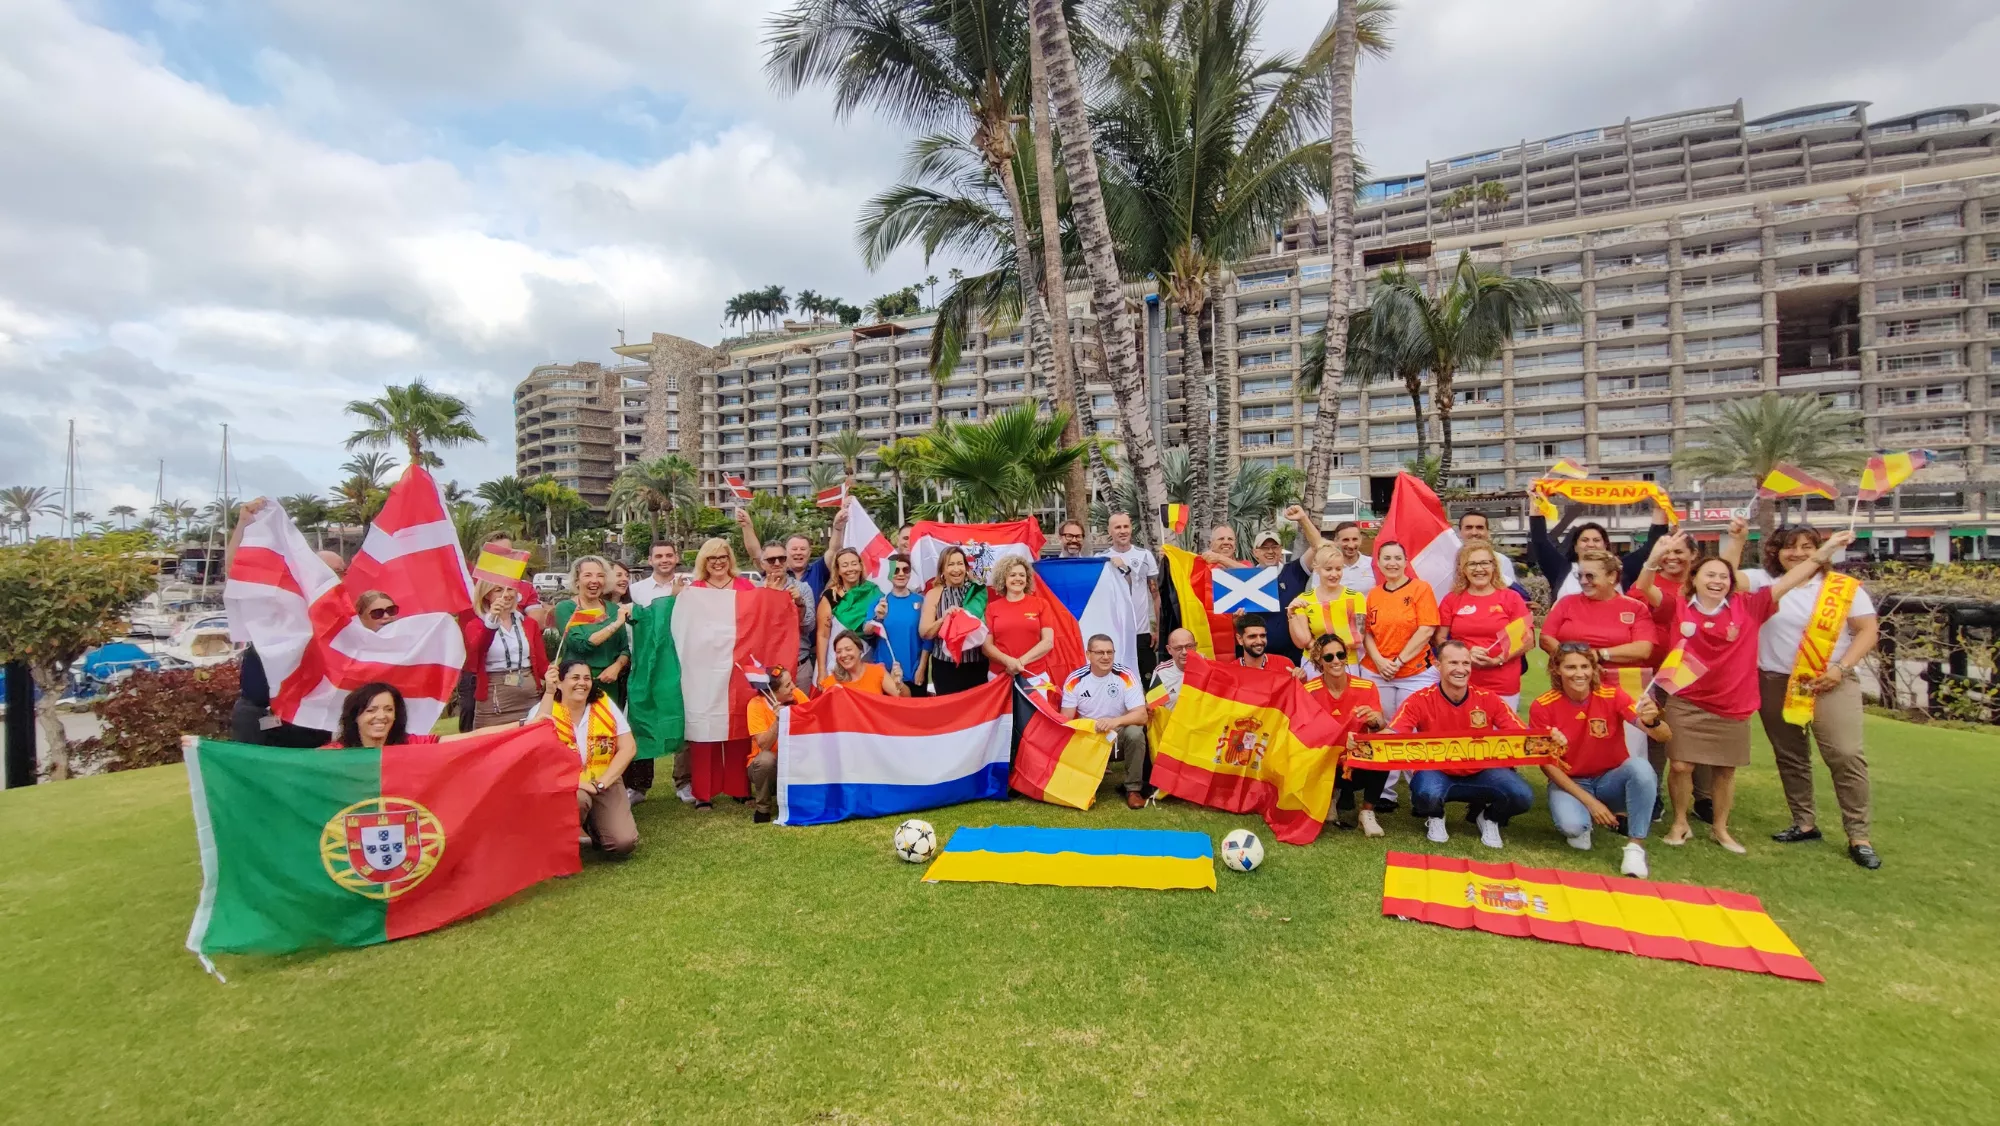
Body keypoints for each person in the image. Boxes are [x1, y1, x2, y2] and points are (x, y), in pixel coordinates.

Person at [1654, 523, 1852, 853]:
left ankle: (1721, 828)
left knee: (1725, 770)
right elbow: (1650, 586)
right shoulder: (1680, 605)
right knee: (1680, 765)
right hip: (1687, 699)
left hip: (1733, 701)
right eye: (1709, 576)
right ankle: (1680, 822)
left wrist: (1824, 552)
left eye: (1723, 577)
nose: (1716, 581)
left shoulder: (1751, 605)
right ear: (1694, 580)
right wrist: (1659, 555)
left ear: (1731, 583)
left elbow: (1790, 578)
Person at [1744, 526, 1882, 869]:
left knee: (1846, 755)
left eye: (1808, 547)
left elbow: (1868, 630)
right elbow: (1723, 577)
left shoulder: (1842, 588)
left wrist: (1842, 667)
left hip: (1830, 680)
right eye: (1789, 547)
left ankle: (1859, 835)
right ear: (1775, 551)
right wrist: (1734, 539)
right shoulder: (1762, 580)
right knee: (1790, 755)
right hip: (1774, 679)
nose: (1798, 553)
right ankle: (1804, 822)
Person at [1531, 644, 1668, 878]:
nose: (1579, 673)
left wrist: (1654, 721)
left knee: (1641, 769)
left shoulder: (1612, 695)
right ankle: (1584, 819)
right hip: (1571, 781)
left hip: (1609, 780)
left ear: (1593, 669)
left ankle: (1635, 847)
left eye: (1585, 666)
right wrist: (1591, 803)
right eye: (1571, 667)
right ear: (1556, 669)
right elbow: (1547, 765)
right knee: (1574, 829)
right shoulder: (1542, 705)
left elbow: (1662, 736)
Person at [1386, 639, 1538, 849]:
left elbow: (1521, 734)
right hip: (1436, 771)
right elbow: (1392, 735)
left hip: (1482, 772)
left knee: (1522, 796)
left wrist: (1549, 738)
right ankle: (1436, 816)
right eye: (1453, 663)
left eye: (1465, 663)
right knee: (1425, 795)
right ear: (1438, 665)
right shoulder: (1419, 700)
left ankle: (1489, 818)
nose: (1461, 669)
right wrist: (1363, 739)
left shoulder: (1488, 698)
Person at [223, 497, 347, 746]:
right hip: (261, 712)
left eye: (341, 571)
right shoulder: (282, 603)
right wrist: (244, 524)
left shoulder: (342, 612)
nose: (337, 577)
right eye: (329, 571)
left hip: (309, 714)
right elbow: (236, 571)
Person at [1539, 549, 1656, 760]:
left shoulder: (1635, 608)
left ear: (1612, 577)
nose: (1584, 581)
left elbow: (1643, 648)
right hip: (1575, 687)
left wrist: (1599, 655)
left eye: (1590, 576)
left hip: (1625, 686)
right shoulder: (1567, 603)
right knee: (1577, 745)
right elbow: (1546, 638)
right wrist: (1579, 662)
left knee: (1630, 750)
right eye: (1580, 576)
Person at [527, 660, 638, 855]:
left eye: (587, 678)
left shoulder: (603, 704)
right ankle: (558, 846)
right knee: (578, 799)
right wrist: (549, 692)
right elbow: (534, 749)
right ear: (559, 682)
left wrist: (601, 784)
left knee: (623, 843)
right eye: (575, 678)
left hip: (602, 780)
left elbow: (628, 747)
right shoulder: (545, 709)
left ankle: (595, 828)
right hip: (564, 785)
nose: (582, 683)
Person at [1304, 634, 1388, 836]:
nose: (1336, 661)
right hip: (1325, 760)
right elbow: (1304, 734)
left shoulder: (1366, 687)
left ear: (1346, 656)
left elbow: (1379, 726)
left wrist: (1374, 719)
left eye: (1340, 655)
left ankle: (1367, 812)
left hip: (1356, 761)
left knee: (1384, 746)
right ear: (1318, 661)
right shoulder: (1308, 690)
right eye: (1328, 657)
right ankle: (1328, 796)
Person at [1436, 543, 1534, 712]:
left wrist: (1498, 659)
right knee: (1463, 735)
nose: (1479, 569)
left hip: (1503, 682)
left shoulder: (1511, 598)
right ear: (1462, 569)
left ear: (1494, 566)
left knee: (1501, 736)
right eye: (1472, 564)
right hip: (1460, 681)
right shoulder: (1452, 600)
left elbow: (1527, 640)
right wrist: (1465, 655)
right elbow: (1439, 639)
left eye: (1485, 563)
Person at [1062, 633, 1151, 809]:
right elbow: (1065, 721)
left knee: (1135, 732)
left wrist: (1114, 722)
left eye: (1110, 652)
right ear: (1088, 655)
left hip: (1118, 734)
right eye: (1100, 652)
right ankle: (1086, 783)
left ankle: (1133, 789)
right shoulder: (1075, 680)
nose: (1106, 657)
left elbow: (1142, 715)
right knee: (1069, 735)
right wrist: (1090, 728)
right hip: (1089, 736)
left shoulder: (1125, 675)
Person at [1528, 495, 1670, 598]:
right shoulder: (1560, 569)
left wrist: (1659, 507)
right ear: (1575, 547)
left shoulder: (1622, 569)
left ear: (1605, 545)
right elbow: (1540, 541)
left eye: (1596, 540)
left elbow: (1652, 547)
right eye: (1584, 540)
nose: (1590, 544)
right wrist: (1536, 502)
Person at [1360, 540, 1441, 715]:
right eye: (1387, 558)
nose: (1392, 563)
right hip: (1376, 672)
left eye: (1398, 558)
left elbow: (1426, 629)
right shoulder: (1374, 594)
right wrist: (1379, 661)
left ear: (1406, 562)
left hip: (1415, 672)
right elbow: (1366, 632)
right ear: (1379, 563)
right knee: (1380, 724)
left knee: (1412, 725)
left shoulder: (1421, 588)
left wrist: (1398, 662)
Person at [547, 556, 631, 709]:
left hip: (609, 683)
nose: (595, 580)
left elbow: (624, 649)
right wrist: (616, 624)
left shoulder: (613, 609)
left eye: (600, 575)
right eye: (588, 575)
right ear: (577, 580)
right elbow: (581, 644)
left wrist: (617, 667)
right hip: (576, 684)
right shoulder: (566, 608)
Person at [463, 580, 549, 728]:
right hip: (495, 701)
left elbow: (542, 665)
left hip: (530, 698)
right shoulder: (476, 625)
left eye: (510, 589)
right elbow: (474, 658)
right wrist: (490, 624)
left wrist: (557, 675)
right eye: (498, 589)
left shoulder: (529, 624)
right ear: (486, 595)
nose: (506, 594)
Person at [1287, 543, 1368, 674]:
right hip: (1314, 664)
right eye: (1328, 569)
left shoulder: (1356, 597)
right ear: (1317, 568)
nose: (1334, 574)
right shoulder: (1304, 599)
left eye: (1338, 569)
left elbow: (1357, 638)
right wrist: (1292, 616)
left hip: (1346, 663)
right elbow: (1303, 641)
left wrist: (1321, 650)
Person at [920, 545, 990, 695]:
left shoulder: (976, 592)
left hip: (977, 665)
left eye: (960, 564)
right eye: (950, 564)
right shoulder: (934, 594)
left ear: (966, 567)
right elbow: (925, 633)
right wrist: (944, 619)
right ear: (942, 570)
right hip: (946, 668)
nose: (956, 569)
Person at [745, 664, 810, 824]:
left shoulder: (798, 696)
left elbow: (812, 724)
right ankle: (763, 809)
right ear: (773, 692)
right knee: (766, 759)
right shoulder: (755, 705)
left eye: (792, 682)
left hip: (794, 762)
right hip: (768, 768)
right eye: (788, 685)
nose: (794, 687)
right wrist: (778, 721)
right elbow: (764, 746)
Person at [1100, 512, 1160, 683]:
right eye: (1117, 527)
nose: (1122, 531)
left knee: (1151, 685)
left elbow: (1155, 595)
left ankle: (1155, 711)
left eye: (1126, 526)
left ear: (1131, 529)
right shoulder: (1101, 559)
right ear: (1110, 531)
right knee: (1117, 684)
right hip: (1114, 634)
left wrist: (1157, 629)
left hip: (1141, 633)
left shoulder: (1145, 555)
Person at [983, 555, 1057, 689]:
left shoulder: (1041, 604)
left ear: (1027, 579)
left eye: (1022, 575)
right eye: (1012, 575)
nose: (1018, 579)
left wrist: (1019, 663)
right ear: (1003, 579)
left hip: (1035, 676)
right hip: (1000, 675)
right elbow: (987, 647)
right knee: (1004, 712)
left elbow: (1048, 642)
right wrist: (1009, 662)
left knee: (1035, 711)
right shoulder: (992, 608)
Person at [869, 553, 928, 695]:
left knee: (916, 715)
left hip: (914, 672)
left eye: (905, 569)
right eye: (896, 570)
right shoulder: (879, 602)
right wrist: (877, 617)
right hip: (886, 673)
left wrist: (921, 668)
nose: (901, 574)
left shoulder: (922, 601)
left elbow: (927, 639)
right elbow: (867, 631)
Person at [328, 683, 441, 749]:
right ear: (355, 716)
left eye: (389, 709)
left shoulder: (409, 744)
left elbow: (454, 746)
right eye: (371, 710)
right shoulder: (333, 754)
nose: (381, 716)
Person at [820, 632, 908, 696]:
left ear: (860, 650)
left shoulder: (876, 671)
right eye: (838, 651)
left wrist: (899, 685)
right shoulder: (831, 683)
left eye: (848, 649)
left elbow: (905, 700)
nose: (843, 655)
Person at [1454, 510, 1521, 588]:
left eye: (1480, 528)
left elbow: (1510, 590)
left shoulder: (1502, 560)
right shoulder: (1450, 560)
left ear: (1487, 532)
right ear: (1459, 532)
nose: (1474, 532)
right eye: (1469, 528)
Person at [1231, 613, 1300, 676]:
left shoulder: (1284, 664)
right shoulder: (1231, 670)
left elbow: (1297, 688)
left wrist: (1301, 680)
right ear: (1240, 639)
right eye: (1252, 636)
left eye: (1262, 636)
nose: (1259, 641)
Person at [627, 540, 684, 607]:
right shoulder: (635, 590)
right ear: (650, 560)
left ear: (676, 558)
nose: (664, 560)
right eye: (659, 556)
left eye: (669, 556)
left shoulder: (689, 587)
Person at [1150, 627, 1196, 707]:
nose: (1184, 652)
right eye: (1178, 648)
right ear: (1169, 649)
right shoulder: (1162, 672)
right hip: (1172, 718)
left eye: (1189, 646)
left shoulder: (1208, 669)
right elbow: (1154, 707)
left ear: (1195, 646)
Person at [1331, 521, 1376, 594]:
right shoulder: (1326, 567)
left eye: (1355, 539)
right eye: (1346, 540)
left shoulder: (1373, 564)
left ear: (1360, 540)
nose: (1351, 545)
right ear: (1336, 541)